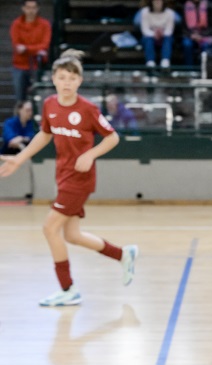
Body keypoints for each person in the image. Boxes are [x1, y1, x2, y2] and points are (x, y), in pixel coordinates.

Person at [0, 50, 138, 307]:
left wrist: (91, 155)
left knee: (49, 228)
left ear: (79, 82)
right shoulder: (50, 104)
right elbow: (45, 134)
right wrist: (20, 159)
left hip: (80, 178)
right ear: (53, 79)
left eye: (72, 78)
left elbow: (112, 137)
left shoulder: (87, 109)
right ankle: (123, 254)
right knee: (72, 235)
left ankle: (67, 289)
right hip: (62, 174)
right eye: (62, 77)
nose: (66, 83)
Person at [9, 0, 51, 104]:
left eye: (33, 8)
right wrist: (36, 49)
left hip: (38, 66)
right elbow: (17, 46)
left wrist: (26, 49)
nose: (31, 11)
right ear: (23, 8)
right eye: (28, 7)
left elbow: (44, 45)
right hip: (19, 66)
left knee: (39, 98)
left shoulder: (45, 24)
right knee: (20, 100)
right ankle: (20, 119)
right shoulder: (16, 24)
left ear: (38, 9)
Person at [139, 0, 176, 69]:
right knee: (148, 39)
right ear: (152, 2)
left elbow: (169, 30)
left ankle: (165, 61)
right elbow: (145, 30)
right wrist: (154, 34)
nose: (157, 3)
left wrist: (162, 33)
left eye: (159, 1)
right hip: (150, 36)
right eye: (155, 1)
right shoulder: (144, 12)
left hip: (164, 36)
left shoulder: (170, 13)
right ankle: (150, 62)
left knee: (168, 38)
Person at [181, 0, 212, 66]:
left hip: (205, 35)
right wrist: (191, 35)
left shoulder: (210, 6)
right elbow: (183, 28)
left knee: (206, 45)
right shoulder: (185, 6)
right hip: (190, 35)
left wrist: (201, 35)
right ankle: (189, 69)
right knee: (186, 44)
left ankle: (205, 68)